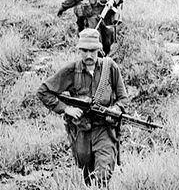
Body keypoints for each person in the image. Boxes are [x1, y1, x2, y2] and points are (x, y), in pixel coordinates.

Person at [37, 28, 128, 187]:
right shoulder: (72, 70)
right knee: (87, 174)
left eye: (92, 51)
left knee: (103, 173)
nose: (88, 55)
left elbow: (123, 98)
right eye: (84, 51)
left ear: (99, 50)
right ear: (79, 50)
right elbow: (44, 91)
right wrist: (66, 109)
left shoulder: (110, 67)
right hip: (82, 132)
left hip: (104, 129)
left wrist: (116, 109)